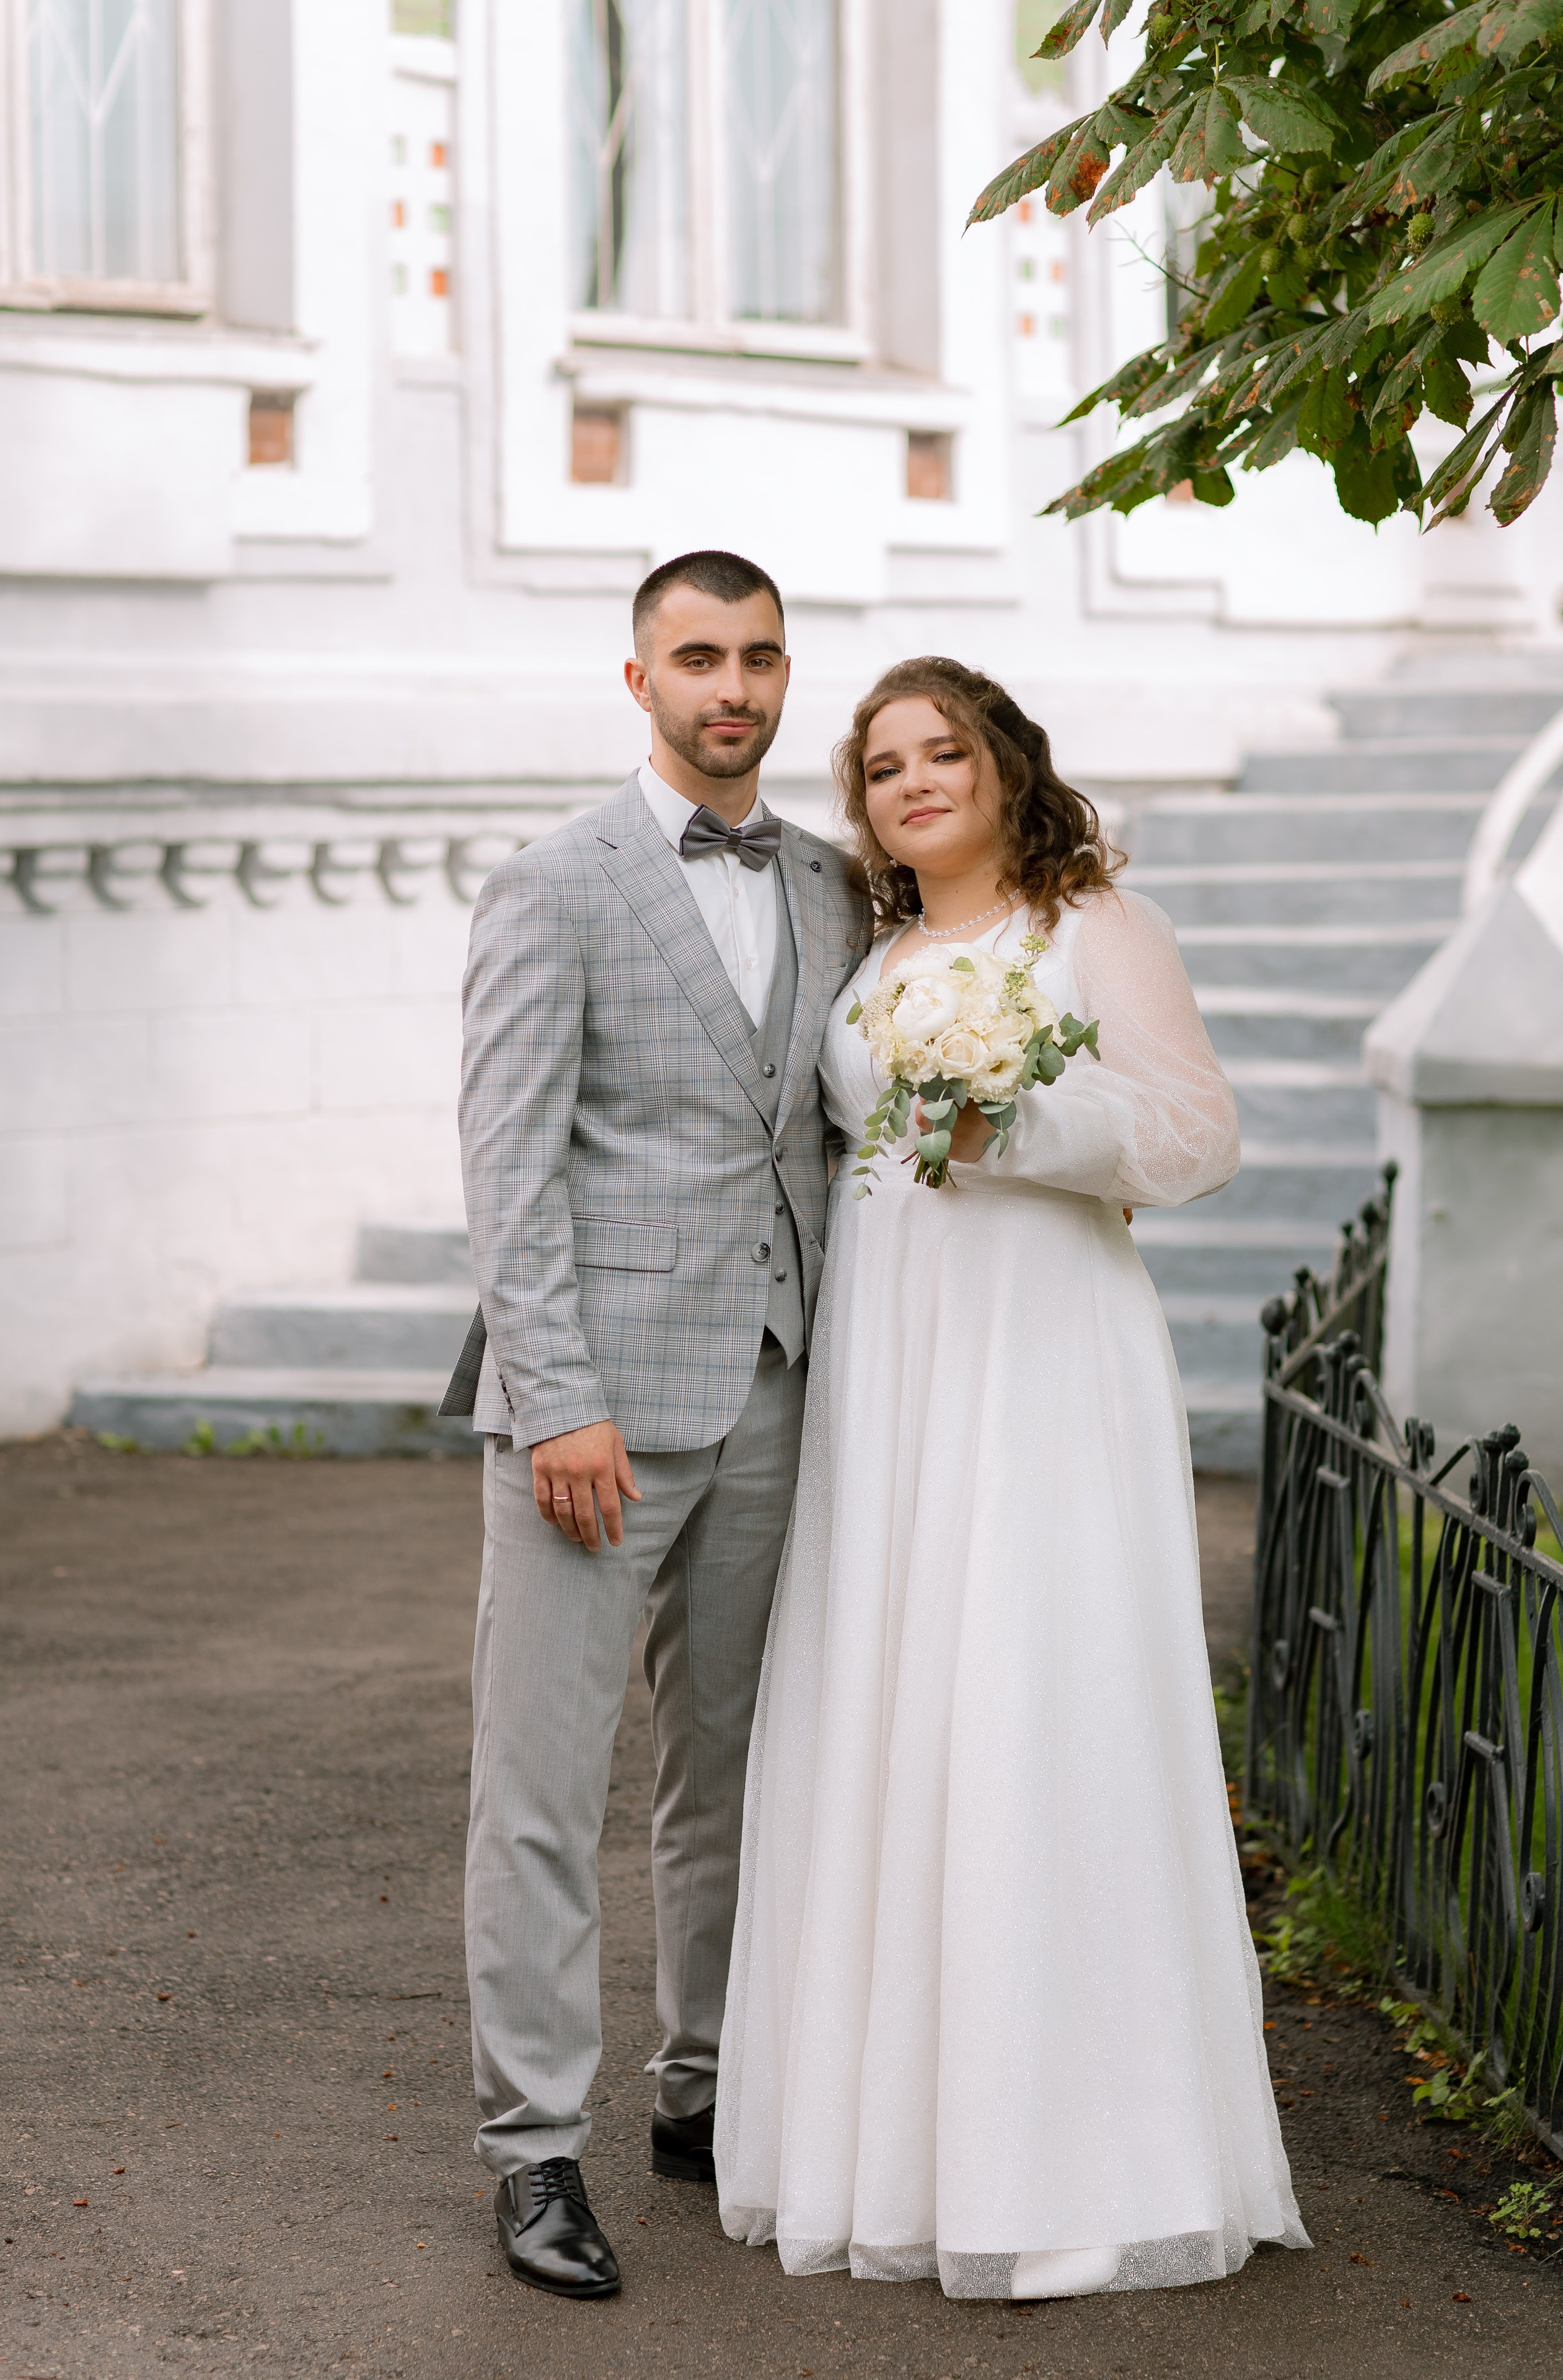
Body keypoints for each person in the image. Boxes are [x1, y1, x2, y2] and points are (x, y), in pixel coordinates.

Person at [716, 656, 1308, 2301]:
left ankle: (1079, 2162)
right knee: (897, 1699)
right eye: (883, 765)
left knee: (1040, 1698)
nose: (915, 782)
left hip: (1043, 1347)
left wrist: (1019, 1123)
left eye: (944, 752)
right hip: (892, 1356)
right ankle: (899, 2149)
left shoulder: (1096, 923)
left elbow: (1196, 1136)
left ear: (1003, 768)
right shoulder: (874, 955)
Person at [440, 550, 871, 2299]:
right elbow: (509, 1164)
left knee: (738, 1766)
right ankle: (534, 2144)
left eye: (759, 657)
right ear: (641, 681)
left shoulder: (835, 882)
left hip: (780, 1384)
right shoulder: (555, 883)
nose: (733, 688)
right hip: (594, 1417)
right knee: (542, 1788)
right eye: (699, 658)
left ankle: (706, 2089)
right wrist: (557, 1400)